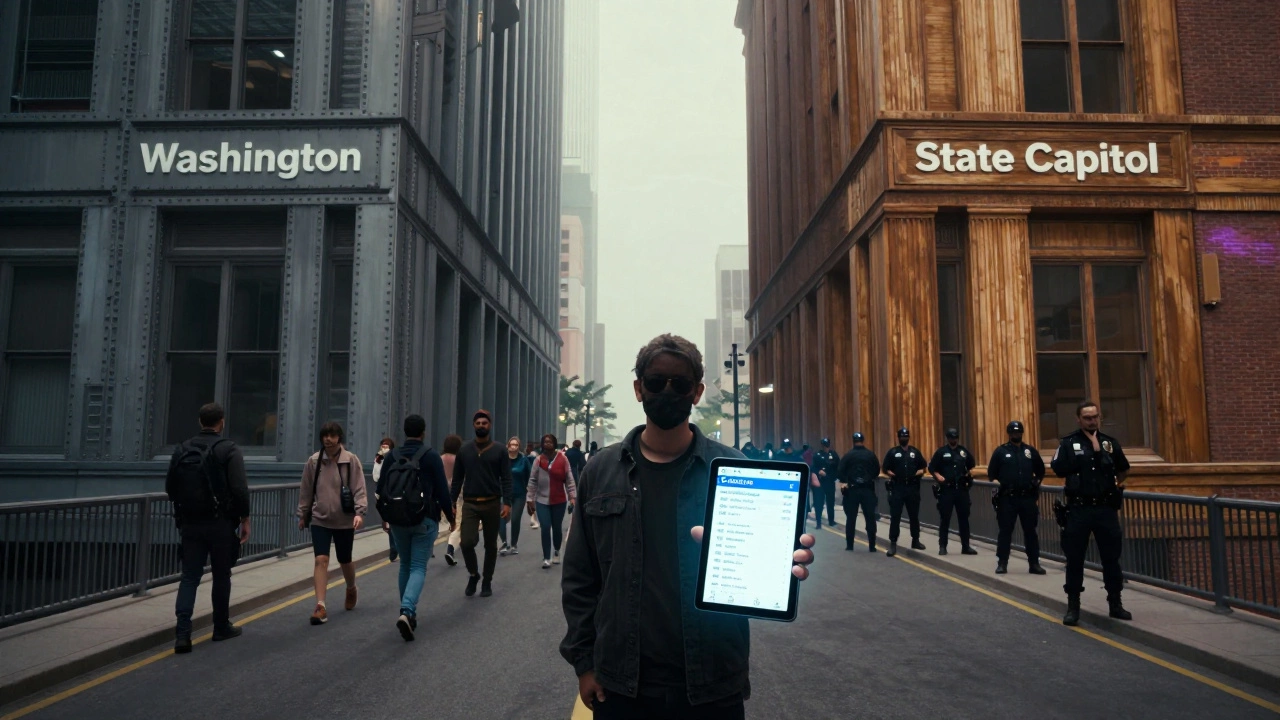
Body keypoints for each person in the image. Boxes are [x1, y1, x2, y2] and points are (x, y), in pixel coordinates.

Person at [561, 333, 816, 718]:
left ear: (696, 392)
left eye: (679, 384)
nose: (667, 391)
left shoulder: (734, 469)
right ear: (638, 388)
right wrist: (584, 664)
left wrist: (779, 564)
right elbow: (580, 577)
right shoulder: (600, 472)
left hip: (712, 682)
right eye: (655, 382)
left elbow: (757, 565)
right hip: (622, 684)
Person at [166, 402, 251, 653]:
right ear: (221, 422)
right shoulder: (229, 449)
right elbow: (239, 488)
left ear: (200, 421)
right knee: (221, 575)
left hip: (190, 523)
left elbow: (170, 487)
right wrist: (244, 518)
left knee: (189, 577)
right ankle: (220, 627)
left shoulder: (182, 449)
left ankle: (182, 634)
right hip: (220, 523)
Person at [1051, 401, 1132, 626]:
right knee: (1075, 558)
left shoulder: (1109, 443)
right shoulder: (1069, 443)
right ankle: (1073, 606)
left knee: (1111, 558)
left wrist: (1114, 483)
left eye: (1095, 416)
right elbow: (1057, 468)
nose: (1092, 421)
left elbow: (1123, 469)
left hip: (1105, 508)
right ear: (1079, 419)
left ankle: (1115, 603)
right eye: (1087, 417)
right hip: (1079, 508)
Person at [299, 421, 367, 625]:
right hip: (320, 519)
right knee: (321, 559)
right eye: (325, 435)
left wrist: (359, 512)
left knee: (345, 559)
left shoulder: (351, 460)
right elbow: (306, 490)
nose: (328, 439)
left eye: (332, 435)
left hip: (344, 520)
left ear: (339, 438)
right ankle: (320, 606)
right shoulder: (314, 461)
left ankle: (351, 587)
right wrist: (303, 514)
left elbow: (359, 488)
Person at [450, 410, 513, 598]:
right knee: (466, 543)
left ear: (489, 425)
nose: (481, 426)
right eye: (478, 423)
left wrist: (507, 503)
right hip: (470, 503)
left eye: (484, 423)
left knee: (490, 545)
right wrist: (451, 502)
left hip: (492, 503)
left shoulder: (500, 450)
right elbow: (457, 479)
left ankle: (487, 580)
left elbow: (506, 478)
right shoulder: (464, 450)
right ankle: (473, 574)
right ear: (473, 425)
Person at [987, 420, 1046, 576]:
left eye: (1018, 432)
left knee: (1030, 532)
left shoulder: (1030, 451)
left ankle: (1034, 563)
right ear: (1009, 434)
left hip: (1027, 498)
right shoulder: (1001, 452)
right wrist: (997, 485)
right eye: (1013, 432)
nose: (1016, 434)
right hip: (1008, 498)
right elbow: (991, 474)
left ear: (1022, 433)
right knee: (1005, 531)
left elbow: (1040, 471)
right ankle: (1002, 563)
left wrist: (1036, 482)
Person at [528, 434, 578, 568]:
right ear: (542, 444)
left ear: (555, 443)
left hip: (559, 500)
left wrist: (572, 498)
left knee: (556, 528)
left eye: (550, 441)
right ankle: (546, 557)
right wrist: (529, 499)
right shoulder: (538, 460)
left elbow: (569, 479)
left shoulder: (563, 459)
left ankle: (556, 550)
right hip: (541, 500)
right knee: (545, 527)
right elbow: (532, 480)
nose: (548, 443)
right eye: (545, 442)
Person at [928, 428, 977, 556]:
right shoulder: (941, 452)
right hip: (947, 489)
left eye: (955, 437)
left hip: (961, 489)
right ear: (947, 438)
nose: (953, 439)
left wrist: (967, 474)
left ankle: (966, 546)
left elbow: (971, 464)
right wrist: (938, 476)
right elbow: (932, 467)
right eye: (951, 437)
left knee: (964, 519)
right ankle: (943, 546)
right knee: (945, 519)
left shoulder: (963, 452)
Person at [881, 427, 927, 557]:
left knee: (914, 516)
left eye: (906, 436)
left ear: (909, 437)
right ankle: (893, 543)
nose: (904, 438)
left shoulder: (914, 452)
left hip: (912, 488)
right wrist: (892, 474)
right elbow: (885, 468)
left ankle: (915, 540)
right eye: (902, 436)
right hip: (898, 488)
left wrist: (918, 473)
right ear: (898, 438)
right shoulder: (893, 452)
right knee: (895, 516)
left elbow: (923, 467)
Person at [837, 432, 881, 552]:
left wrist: (846, 481)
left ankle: (850, 545)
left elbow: (840, 471)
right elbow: (877, 471)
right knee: (870, 518)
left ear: (853, 441)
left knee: (851, 518)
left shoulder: (848, 455)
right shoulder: (870, 455)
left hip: (852, 490)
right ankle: (872, 545)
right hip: (867, 490)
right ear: (863, 440)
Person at [500, 436, 532, 556]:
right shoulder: (502, 459)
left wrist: (530, 492)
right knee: (502, 517)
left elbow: (530, 476)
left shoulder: (523, 460)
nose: (513, 447)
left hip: (519, 493)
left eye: (516, 445)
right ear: (507, 445)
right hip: (504, 493)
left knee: (515, 519)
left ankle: (514, 544)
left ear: (519, 447)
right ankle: (504, 542)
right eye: (511, 444)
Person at [371, 437, 398, 561]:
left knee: (391, 521)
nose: (384, 448)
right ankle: (395, 545)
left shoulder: (394, 458)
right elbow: (376, 476)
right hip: (382, 491)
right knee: (387, 521)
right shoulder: (378, 458)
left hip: (392, 491)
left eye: (387, 446)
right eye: (383, 445)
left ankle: (394, 548)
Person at [440, 434, 464, 566]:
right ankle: (451, 549)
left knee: (447, 521)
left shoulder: (440, 459)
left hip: (441, 495)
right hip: (457, 495)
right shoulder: (459, 460)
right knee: (459, 524)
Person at [810, 438, 840, 530]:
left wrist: (835, 477)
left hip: (830, 481)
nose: (826, 447)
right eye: (824, 445)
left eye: (827, 445)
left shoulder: (833, 455)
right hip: (820, 482)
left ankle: (831, 520)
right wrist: (818, 471)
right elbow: (813, 467)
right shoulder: (817, 455)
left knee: (830, 502)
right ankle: (818, 522)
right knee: (819, 503)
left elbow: (837, 466)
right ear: (822, 446)